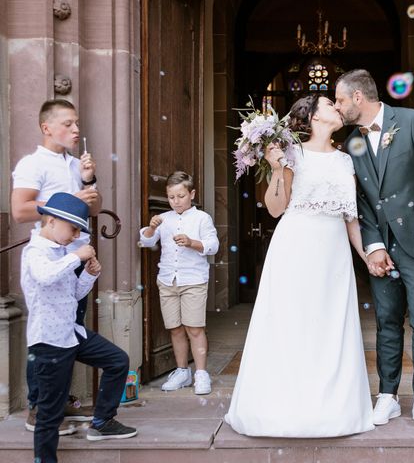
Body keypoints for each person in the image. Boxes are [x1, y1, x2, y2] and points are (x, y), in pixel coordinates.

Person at [224, 95, 374, 437]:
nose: (337, 107)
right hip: (295, 247)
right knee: (292, 323)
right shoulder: (294, 155)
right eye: (328, 104)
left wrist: (368, 256)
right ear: (312, 116)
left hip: (333, 254)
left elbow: (352, 220)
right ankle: (281, 408)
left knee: (331, 326)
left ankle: (331, 409)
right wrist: (277, 168)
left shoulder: (345, 161)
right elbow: (276, 209)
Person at [334, 69, 414, 432]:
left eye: (341, 99)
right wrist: (373, 246)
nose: (338, 106)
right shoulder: (352, 144)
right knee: (387, 322)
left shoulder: (411, 122)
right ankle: (388, 397)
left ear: (358, 97)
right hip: (383, 249)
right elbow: (361, 201)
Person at [22, 192, 137, 463]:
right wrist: (76, 258)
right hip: (49, 342)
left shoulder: (62, 252)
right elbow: (45, 276)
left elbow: (72, 294)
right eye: (73, 228)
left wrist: (89, 274)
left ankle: (102, 421)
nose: (75, 235)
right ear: (51, 221)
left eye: (77, 231)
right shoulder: (35, 251)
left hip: (72, 333)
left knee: (117, 361)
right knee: (49, 414)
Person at [11, 99, 100, 433]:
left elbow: (93, 207)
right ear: (46, 127)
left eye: (77, 123)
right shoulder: (33, 164)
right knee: (46, 335)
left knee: (69, 330)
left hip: (76, 257)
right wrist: (68, 204)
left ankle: (59, 400)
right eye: (68, 124)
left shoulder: (77, 164)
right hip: (51, 258)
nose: (76, 129)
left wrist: (89, 182)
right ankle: (38, 407)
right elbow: (20, 210)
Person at [139, 171, 219, 395]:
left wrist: (192, 242)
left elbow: (213, 245)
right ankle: (182, 371)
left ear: (191, 194)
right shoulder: (164, 219)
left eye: (181, 196)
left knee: (194, 328)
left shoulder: (201, 218)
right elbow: (145, 241)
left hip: (193, 279)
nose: (176, 201)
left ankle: (201, 374)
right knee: (175, 329)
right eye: (172, 197)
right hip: (167, 280)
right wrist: (152, 227)